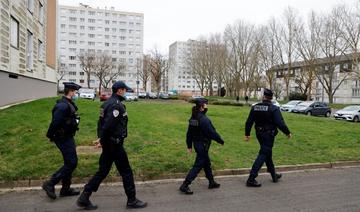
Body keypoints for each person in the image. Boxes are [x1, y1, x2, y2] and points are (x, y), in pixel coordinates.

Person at [77, 81, 147, 210]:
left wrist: (100, 138)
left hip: (108, 144)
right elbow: (108, 126)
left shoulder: (106, 104)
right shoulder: (116, 106)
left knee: (103, 171)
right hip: (115, 145)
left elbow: (100, 124)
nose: (126, 92)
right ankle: (131, 200)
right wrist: (102, 140)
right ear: (119, 90)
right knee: (126, 171)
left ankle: (84, 196)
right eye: (124, 90)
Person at [244, 88, 291, 187]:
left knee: (267, 153)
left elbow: (249, 122)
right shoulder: (274, 108)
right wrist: (287, 132)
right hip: (269, 135)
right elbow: (280, 123)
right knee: (263, 154)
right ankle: (251, 178)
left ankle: (274, 175)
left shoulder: (255, 107)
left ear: (263, 97)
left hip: (259, 134)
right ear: (271, 98)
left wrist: (247, 134)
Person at [43, 82, 82, 199]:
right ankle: (50, 184)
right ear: (70, 91)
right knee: (72, 162)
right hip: (63, 138)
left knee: (68, 162)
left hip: (68, 136)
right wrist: (50, 135)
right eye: (75, 92)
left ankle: (65, 189)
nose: (76, 94)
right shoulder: (62, 106)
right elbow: (55, 122)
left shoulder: (68, 103)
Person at [179, 98, 225, 195]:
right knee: (198, 165)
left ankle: (211, 182)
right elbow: (212, 132)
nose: (207, 106)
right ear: (201, 107)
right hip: (203, 146)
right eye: (205, 104)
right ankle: (185, 185)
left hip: (197, 144)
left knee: (206, 163)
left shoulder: (193, 118)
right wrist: (220, 140)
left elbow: (189, 133)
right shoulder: (204, 119)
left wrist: (189, 145)